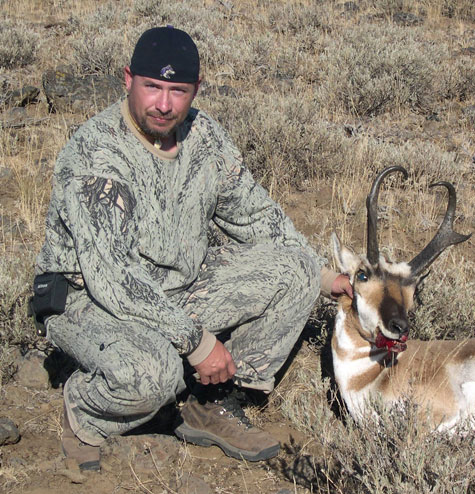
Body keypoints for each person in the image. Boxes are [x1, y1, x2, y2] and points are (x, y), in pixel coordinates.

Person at [32, 26, 351, 470]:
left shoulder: (205, 139)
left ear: (196, 89)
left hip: (175, 287)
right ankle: (85, 410)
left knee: (295, 267)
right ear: (128, 79)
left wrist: (324, 276)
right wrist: (198, 343)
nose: (164, 104)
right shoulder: (97, 155)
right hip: (89, 299)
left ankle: (213, 401)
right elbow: (115, 281)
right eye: (152, 87)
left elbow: (256, 216)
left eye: (177, 91)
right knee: (153, 374)